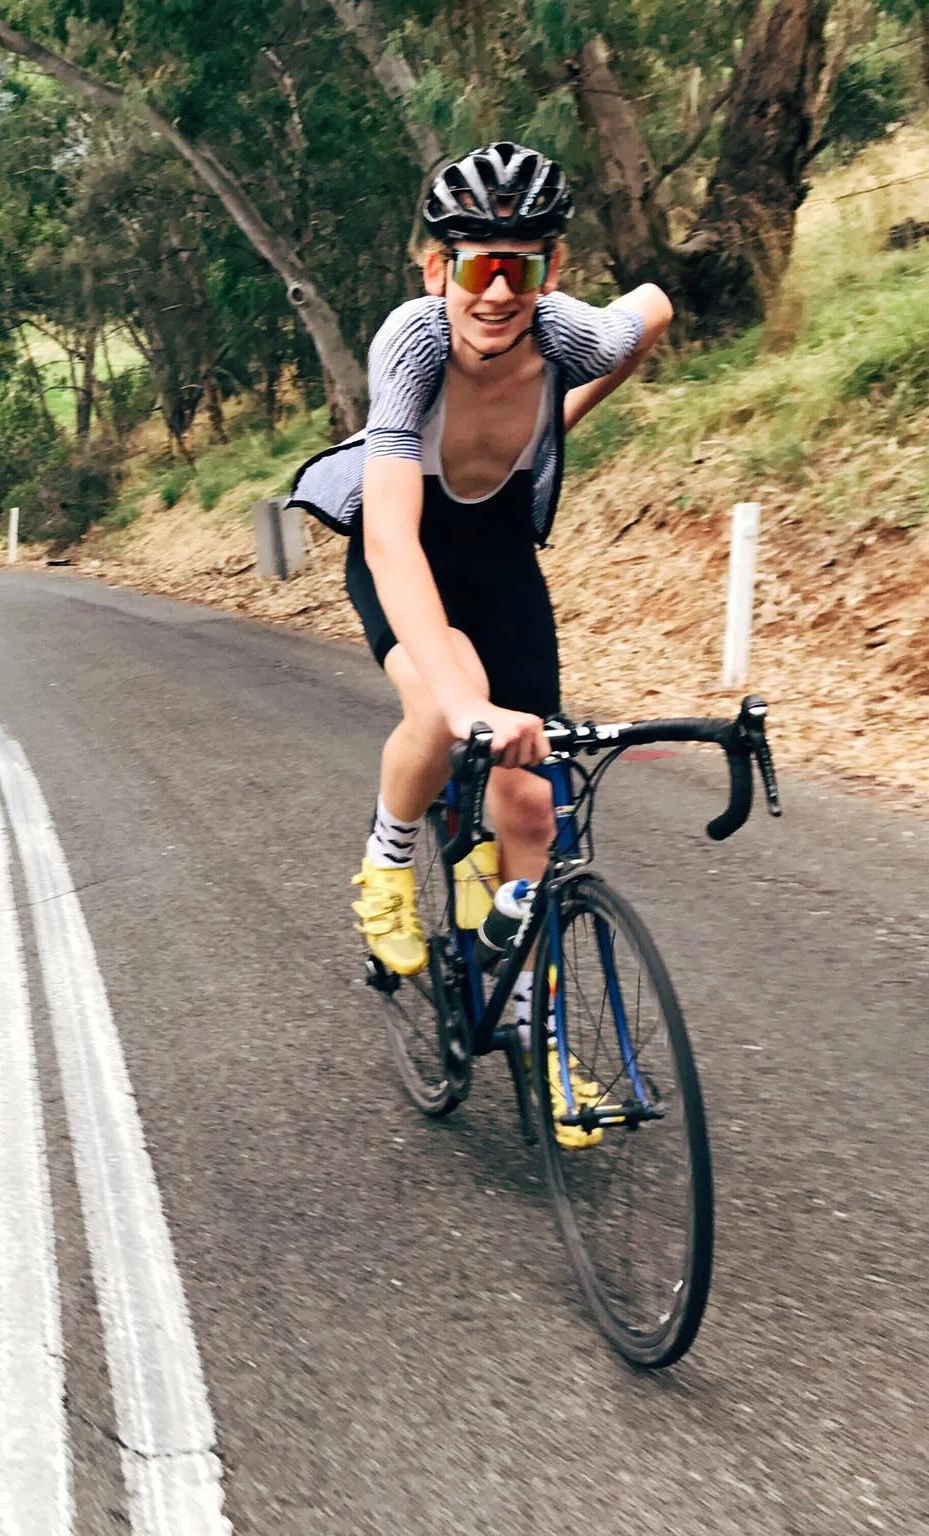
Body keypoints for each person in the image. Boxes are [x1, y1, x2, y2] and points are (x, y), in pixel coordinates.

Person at [287, 142, 671, 1145]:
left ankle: (538, 1033)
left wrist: (563, 414)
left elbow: (652, 308)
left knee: (531, 808)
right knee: (439, 697)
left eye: (522, 265)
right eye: (476, 265)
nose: (498, 291)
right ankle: (386, 861)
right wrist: (463, 706)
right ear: (436, 270)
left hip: (499, 554)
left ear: (551, 269)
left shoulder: (569, 331)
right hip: (408, 542)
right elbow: (388, 538)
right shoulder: (411, 344)